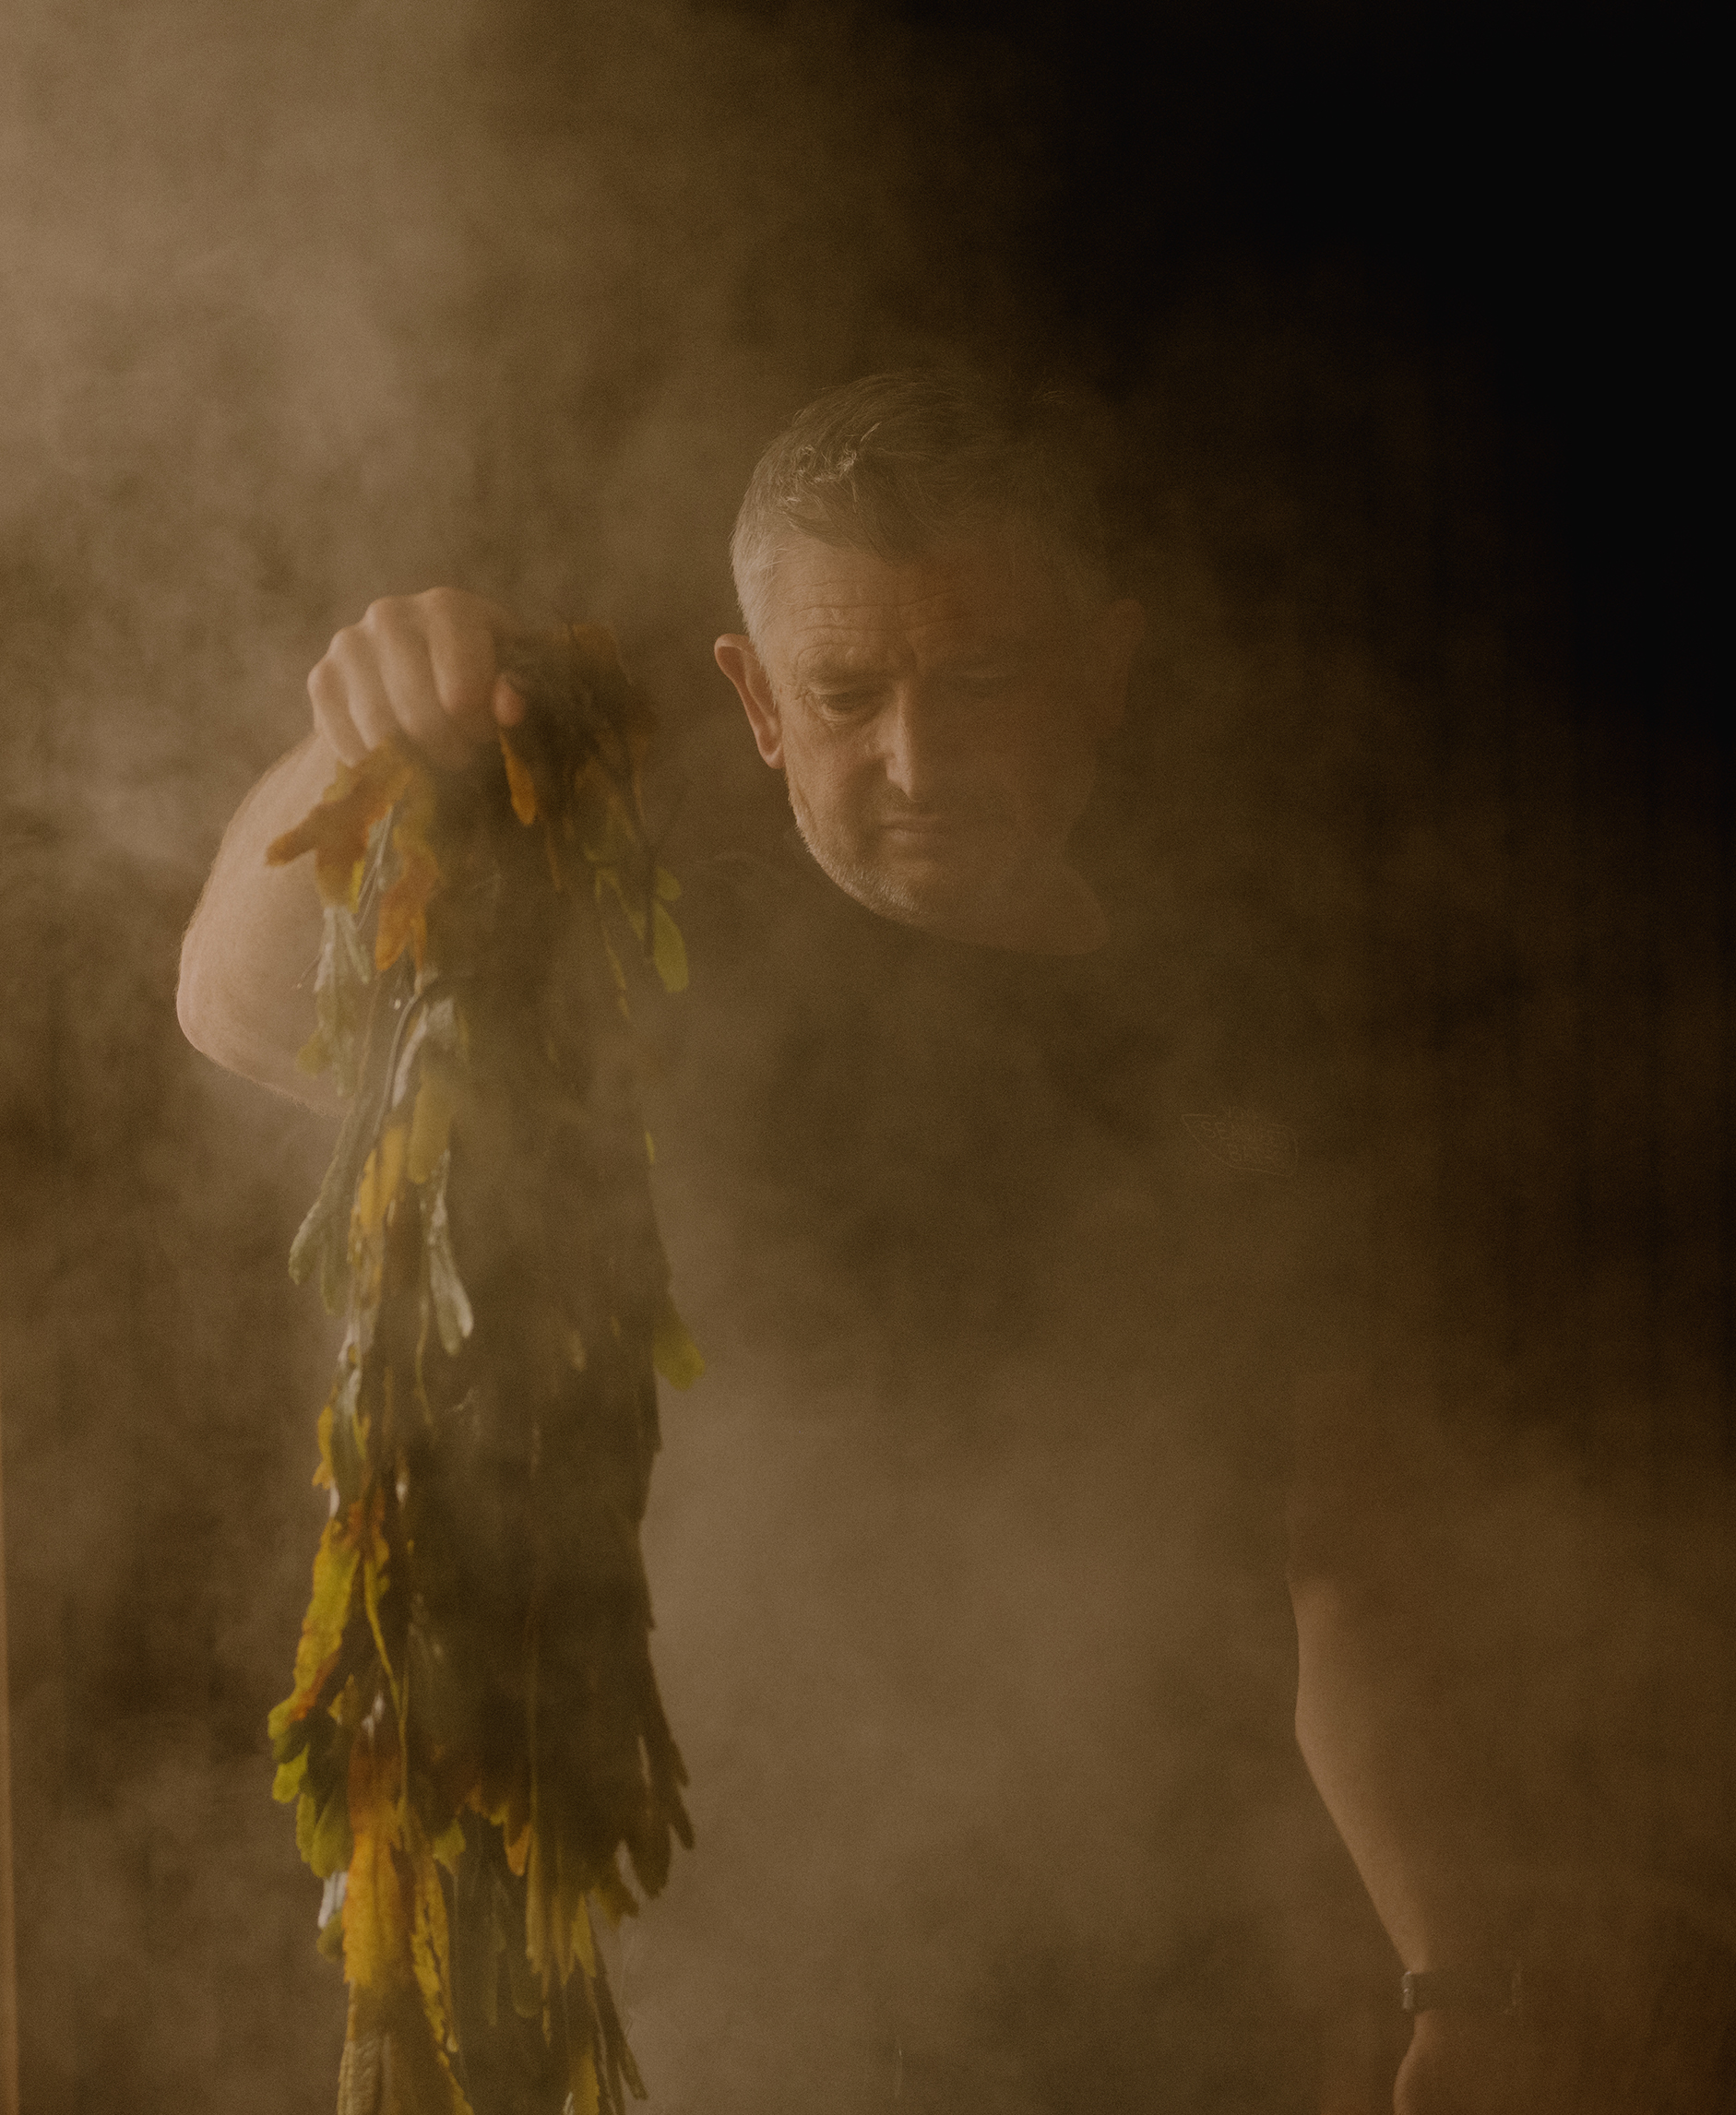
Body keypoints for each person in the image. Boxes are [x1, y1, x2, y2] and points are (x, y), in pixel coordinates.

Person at [181, 372, 1532, 2112]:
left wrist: (1460, 1971)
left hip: (1172, 2004)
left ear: (1105, 668)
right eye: (848, 692)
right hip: (722, 1993)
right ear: (753, 697)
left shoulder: (1252, 1061)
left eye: (981, 682)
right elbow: (238, 1004)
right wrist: (363, 745)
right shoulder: (638, 979)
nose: (920, 759)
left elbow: (1355, 1559)